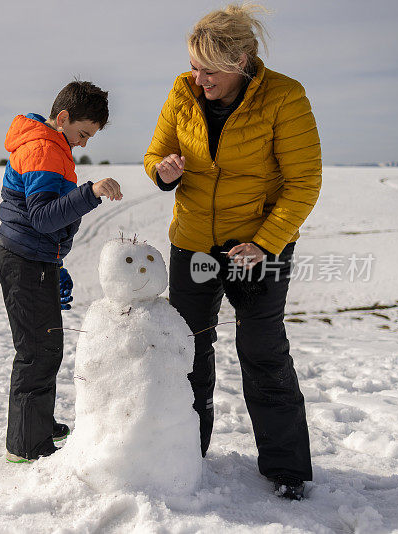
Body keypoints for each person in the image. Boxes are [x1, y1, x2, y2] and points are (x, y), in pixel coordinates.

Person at [143, 4, 321, 499]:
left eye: (210, 69)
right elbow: (155, 154)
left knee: (263, 353)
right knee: (189, 352)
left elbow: (304, 182)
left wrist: (265, 242)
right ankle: (185, 455)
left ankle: (286, 471)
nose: (198, 79)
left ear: (241, 60)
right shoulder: (182, 92)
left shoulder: (286, 97)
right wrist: (164, 172)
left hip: (259, 250)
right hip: (193, 244)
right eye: (194, 66)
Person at [0, 81, 123, 463]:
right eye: (83, 133)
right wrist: (91, 192)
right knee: (37, 351)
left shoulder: (54, 146)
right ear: (63, 118)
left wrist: (55, 263)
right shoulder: (43, 148)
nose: (84, 143)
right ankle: (27, 447)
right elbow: (44, 217)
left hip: (35, 258)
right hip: (23, 259)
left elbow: (47, 221)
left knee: (47, 346)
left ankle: (38, 424)